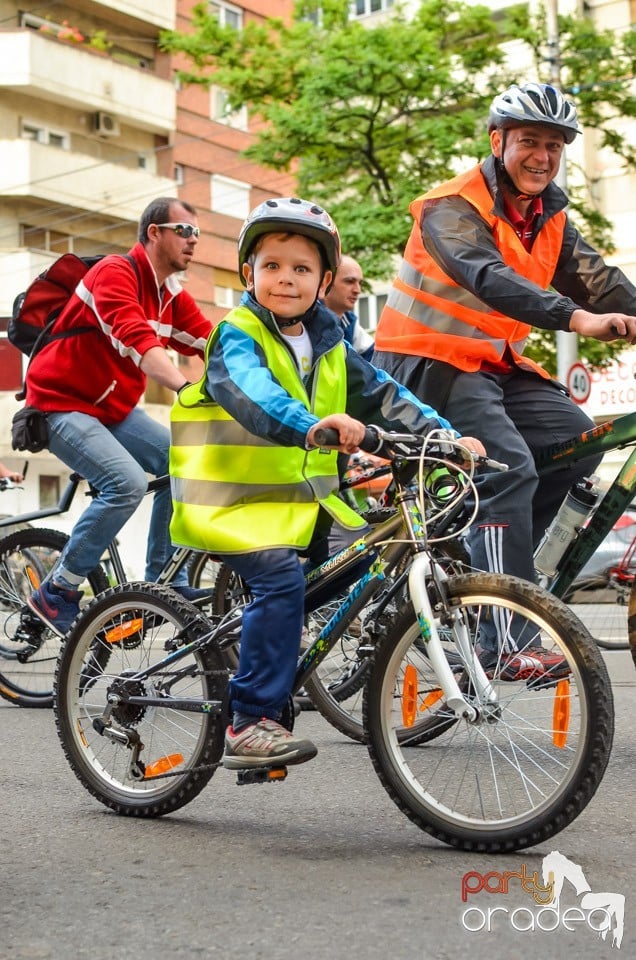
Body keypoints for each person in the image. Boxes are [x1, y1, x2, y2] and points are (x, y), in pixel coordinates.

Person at [170, 196, 485, 770]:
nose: (285, 279)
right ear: (248, 274)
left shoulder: (331, 343)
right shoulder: (236, 335)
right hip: (231, 504)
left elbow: (387, 394)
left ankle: (260, 669)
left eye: (301, 268)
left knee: (333, 580)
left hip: (304, 505)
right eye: (271, 266)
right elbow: (254, 395)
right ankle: (249, 721)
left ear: (323, 280)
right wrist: (313, 426)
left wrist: (446, 435)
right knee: (283, 584)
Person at [373, 81, 636, 680]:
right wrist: (577, 318)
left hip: (494, 365)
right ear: (498, 141)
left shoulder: (551, 218)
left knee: (576, 445)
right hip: (425, 361)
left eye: (554, 145)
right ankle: (506, 631)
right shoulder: (451, 206)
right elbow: (486, 276)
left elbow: (601, 282)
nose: (542, 156)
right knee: (507, 467)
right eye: (528, 142)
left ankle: (492, 566)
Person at [25, 196, 214, 635]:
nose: (193, 242)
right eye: (185, 231)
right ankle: (58, 591)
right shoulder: (114, 273)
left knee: (180, 459)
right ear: (154, 232)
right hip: (60, 403)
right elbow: (139, 344)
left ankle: (165, 580)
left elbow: (213, 341)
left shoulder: (171, 296)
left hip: (110, 409)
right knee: (126, 483)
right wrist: (186, 388)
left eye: (197, 234)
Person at [324, 254, 374, 359]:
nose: (357, 290)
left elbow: (374, 356)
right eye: (349, 281)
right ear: (327, 281)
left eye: (360, 283)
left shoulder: (349, 321)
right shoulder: (307, 319)